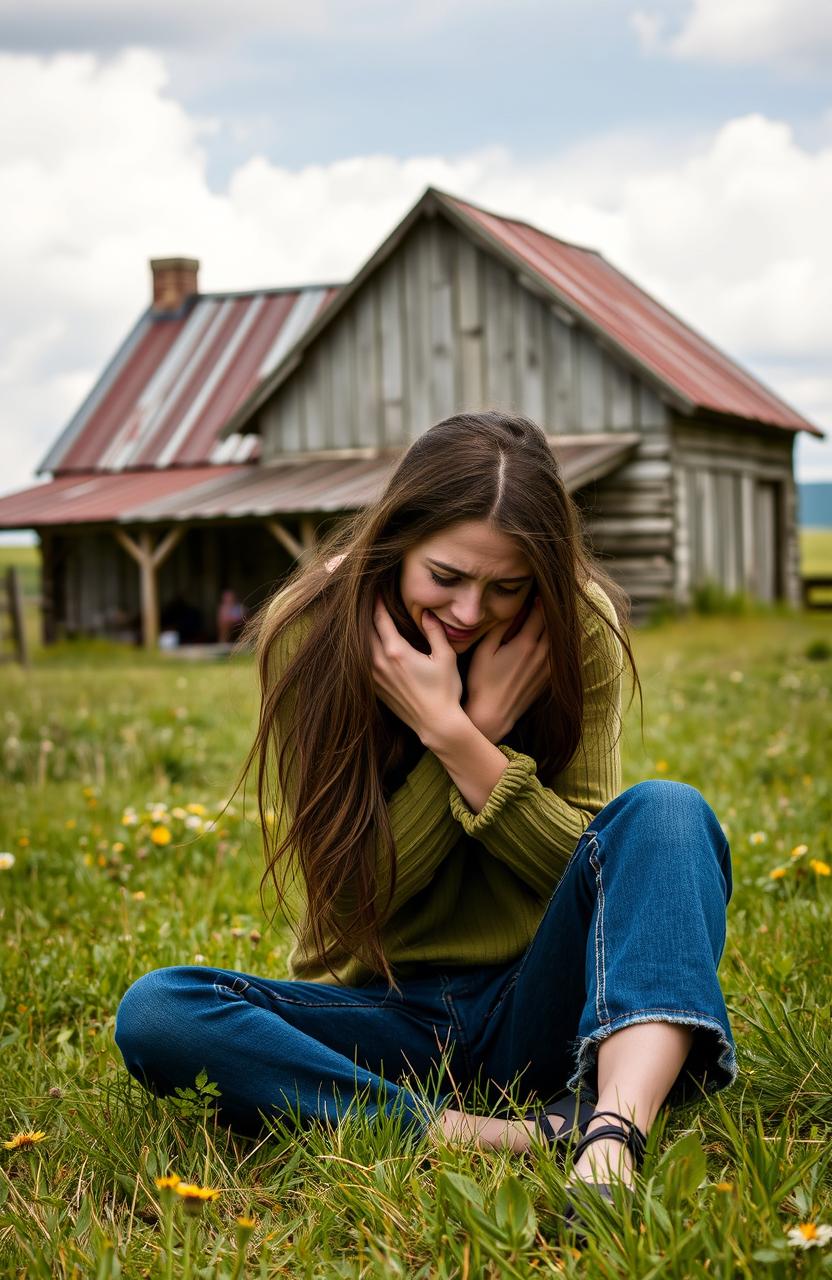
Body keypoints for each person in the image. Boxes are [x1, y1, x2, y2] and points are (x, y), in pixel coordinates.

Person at [114, 411, 735, 1219]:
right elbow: (349, 901)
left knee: (667, 815)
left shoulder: (575, 626)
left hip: (542, 1003)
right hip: (390, 1016)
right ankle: (492, 1135)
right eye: (445, 576)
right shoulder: (319, 630)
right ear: (396, 542)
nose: (472, 611)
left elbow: (597, 878)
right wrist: (456, 732)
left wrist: (461, 738)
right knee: (161, 1011)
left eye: (507, 587)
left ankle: (611, 1135)